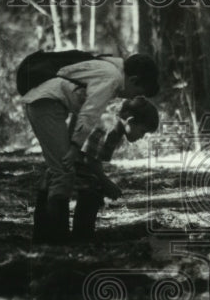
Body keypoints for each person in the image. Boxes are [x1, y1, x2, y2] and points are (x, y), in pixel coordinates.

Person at [20, 51, 159, 244]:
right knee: (62, 172)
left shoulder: (111, 68)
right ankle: (56, 241)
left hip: (50, 103)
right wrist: (75, 146)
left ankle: (46, 236)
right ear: (133, 79)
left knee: (58, 172)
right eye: (137, 92)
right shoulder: (111, 78)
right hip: (46, 103)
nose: (133, 97)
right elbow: (89, 112)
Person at [67, 96, 161, 242]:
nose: (141, 137)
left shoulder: (114, 126)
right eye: (142, 131)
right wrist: (107, 183)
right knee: (91, 191)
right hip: (71, 164)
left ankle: (83, 234)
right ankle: (82, 237)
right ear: (130, 121)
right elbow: (88, 161)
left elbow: (92, 160)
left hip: (77, 163)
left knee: (95, 189)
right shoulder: (112, 129)